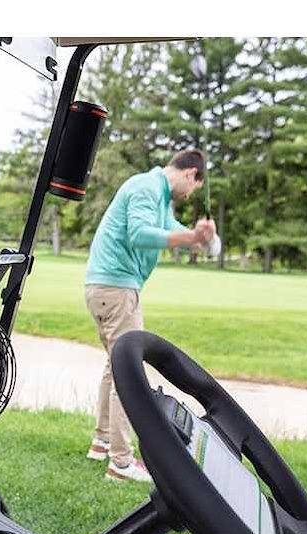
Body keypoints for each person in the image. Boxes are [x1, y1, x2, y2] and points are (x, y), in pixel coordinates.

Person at [84, 149, 216, 483]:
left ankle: (101, 442)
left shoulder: (160, 197)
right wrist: (190, 237)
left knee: (114, 366)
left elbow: (174, 232)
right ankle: (120, 462)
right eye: (194, 187)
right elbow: (139, 234)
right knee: (128, 372)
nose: (190, 195)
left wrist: (201, 239)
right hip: (117, 288)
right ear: (191, 174)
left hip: (107, 287)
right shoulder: (146, 187)